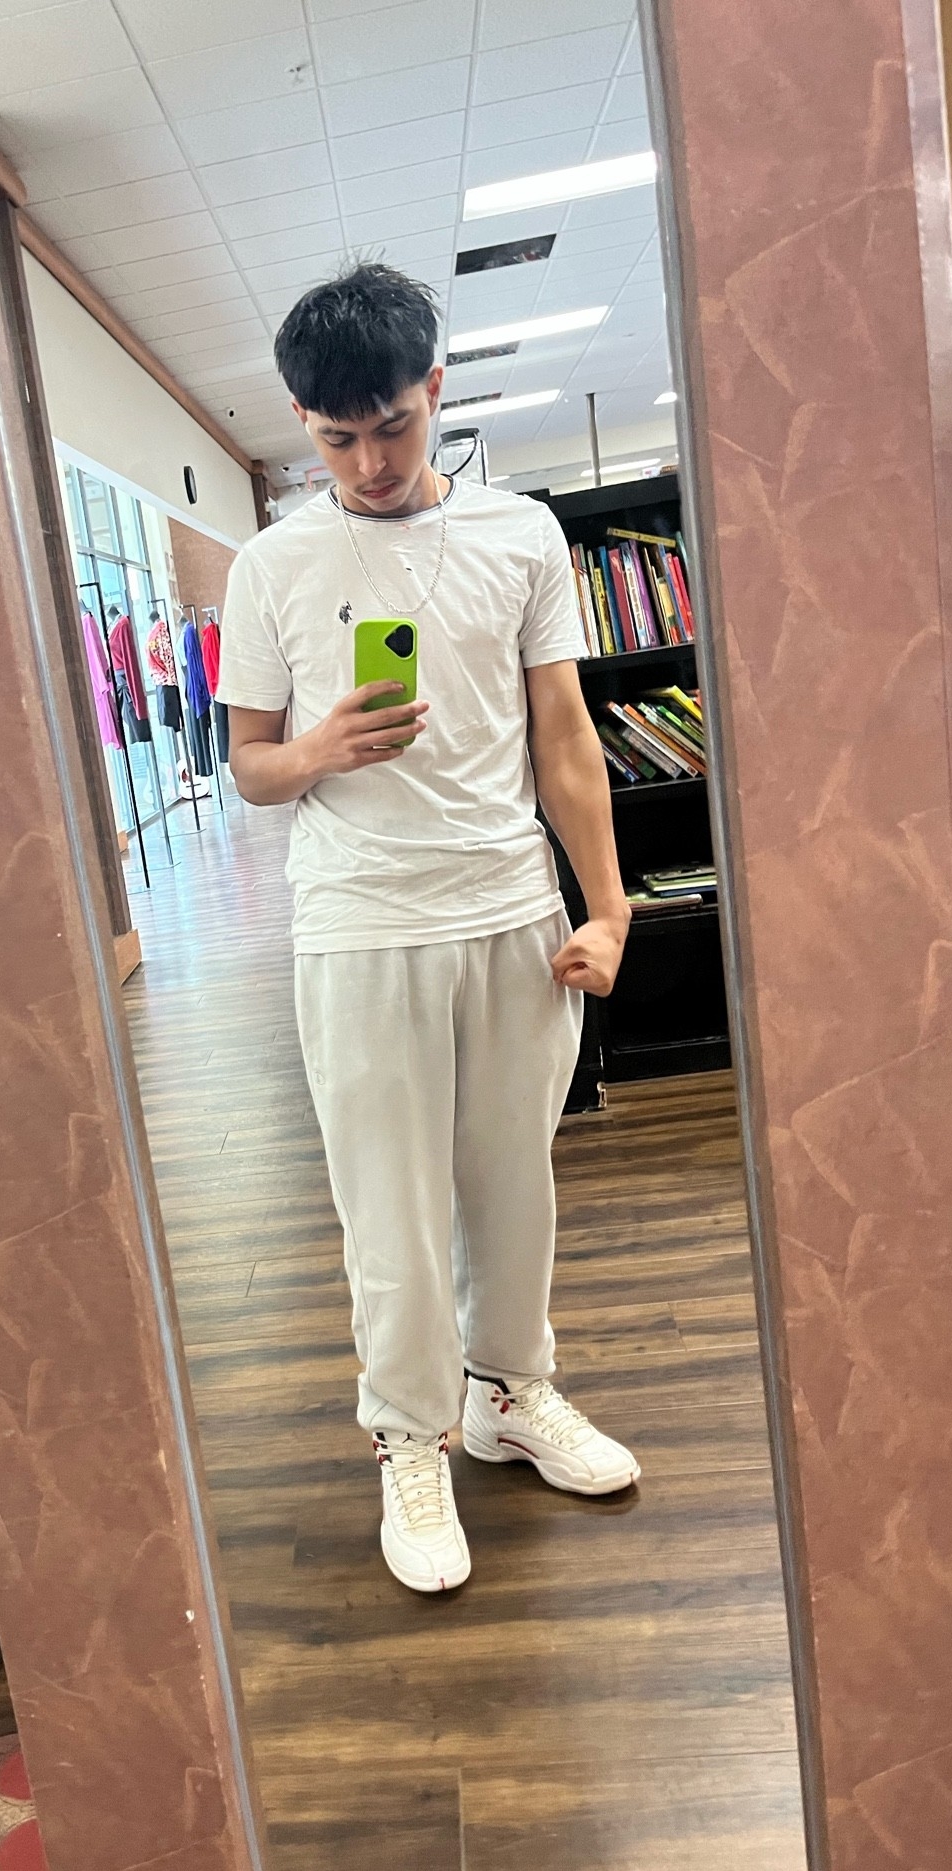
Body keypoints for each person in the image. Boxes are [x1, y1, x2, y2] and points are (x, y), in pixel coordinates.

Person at [218, 262, 640, 1595]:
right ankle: (411, 1438)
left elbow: (564, 736)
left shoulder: (523, 536)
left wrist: (610, 906)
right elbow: (249, 766)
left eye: (393, 426)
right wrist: (319, 749)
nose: (371, 462)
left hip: (513, 916)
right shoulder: (270, 565)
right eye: (336, 438)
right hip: (359, 930)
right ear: (303, 422)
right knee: (388, 1215)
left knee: (515, 1186)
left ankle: (511, 1393)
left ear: (435, 389)